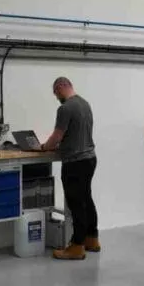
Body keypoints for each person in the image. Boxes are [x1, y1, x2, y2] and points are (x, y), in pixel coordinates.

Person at [41, 77, 99, 260]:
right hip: (90, 159)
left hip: (74, 162)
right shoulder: (85, 104)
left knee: (76, 205)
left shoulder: (65, 108)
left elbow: (57, 136)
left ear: (61, 87)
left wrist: (44, 147)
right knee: (86, 199)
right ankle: (92, 239)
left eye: (56, 93)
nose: (57, 97)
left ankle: (76, 246)